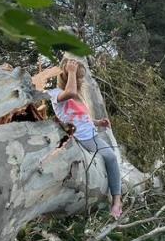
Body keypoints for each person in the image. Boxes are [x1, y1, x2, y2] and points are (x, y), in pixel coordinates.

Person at [45, 59, 124, 219]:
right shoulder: (55, 94)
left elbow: (81, 118)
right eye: (78, 77)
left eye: (81, 77)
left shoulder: (78, 97)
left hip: (91, 136)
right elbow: (70, 92)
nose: (81, 81)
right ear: (67, 76)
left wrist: (98, 122)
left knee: (111, 157)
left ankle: (117, 199)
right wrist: (72, 71)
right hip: (78, 138)